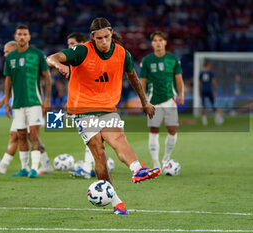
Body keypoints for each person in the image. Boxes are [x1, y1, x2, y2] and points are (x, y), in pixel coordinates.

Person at [47, 17, 160, 215]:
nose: (104, 42)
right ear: (93, 38)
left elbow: (132, 77)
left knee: (118, 138)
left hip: (107, 107)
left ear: (111, 34)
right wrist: (59, 65)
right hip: (83, 110)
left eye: (107, 37)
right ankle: (117, 202)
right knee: (99, 152)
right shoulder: (83, 50)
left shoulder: (122, 53)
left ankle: (137, 169)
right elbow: (51, 57)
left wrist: (144, 101)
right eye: (99, 39)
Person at [0, 40, 53, 175]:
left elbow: (37, 86)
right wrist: (4, 101)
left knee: (27, 135)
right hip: (18, 106)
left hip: (32, 105)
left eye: (7, 52)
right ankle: (43, 164)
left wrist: (43, 103)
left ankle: (5, 165)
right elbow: (12, 87)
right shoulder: (13, 66)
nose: (5, 55)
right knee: (22, 135)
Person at [139, 31, 185, 169]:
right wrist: (143, 101)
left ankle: (166, 158)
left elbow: (178, 78)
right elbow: (142, 82)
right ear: (152, 43)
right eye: (155, 40)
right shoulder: (147, 60)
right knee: (154, 130)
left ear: (165, 42)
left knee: (172, 130)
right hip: (153, 101)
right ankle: (156, 163)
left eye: (160, 40)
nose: (158, 43)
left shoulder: (173, 59)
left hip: (170, 100)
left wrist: (181, 94)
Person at [64, 32, 95, 179]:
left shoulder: (83, 58)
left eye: (72, 44)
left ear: (82, 43)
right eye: (68, 44)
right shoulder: (77, 61)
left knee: (89, 136)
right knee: (93, 137)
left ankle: (87, 169)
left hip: (89, 103)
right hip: (85, 102)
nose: (69, 47)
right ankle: (94, 166)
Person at [199, 61, 222, 125]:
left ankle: (204, 121)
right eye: (209, 65)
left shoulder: (201, 73)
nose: (210, 66)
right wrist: (215, 90)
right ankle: (217, 118)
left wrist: (199, 91)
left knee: (203, 106)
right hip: (209, 89)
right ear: (207, 65)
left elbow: (199, 83)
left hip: (203, 90)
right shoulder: (210, 72)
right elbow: (213, 81)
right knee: (213, 104)